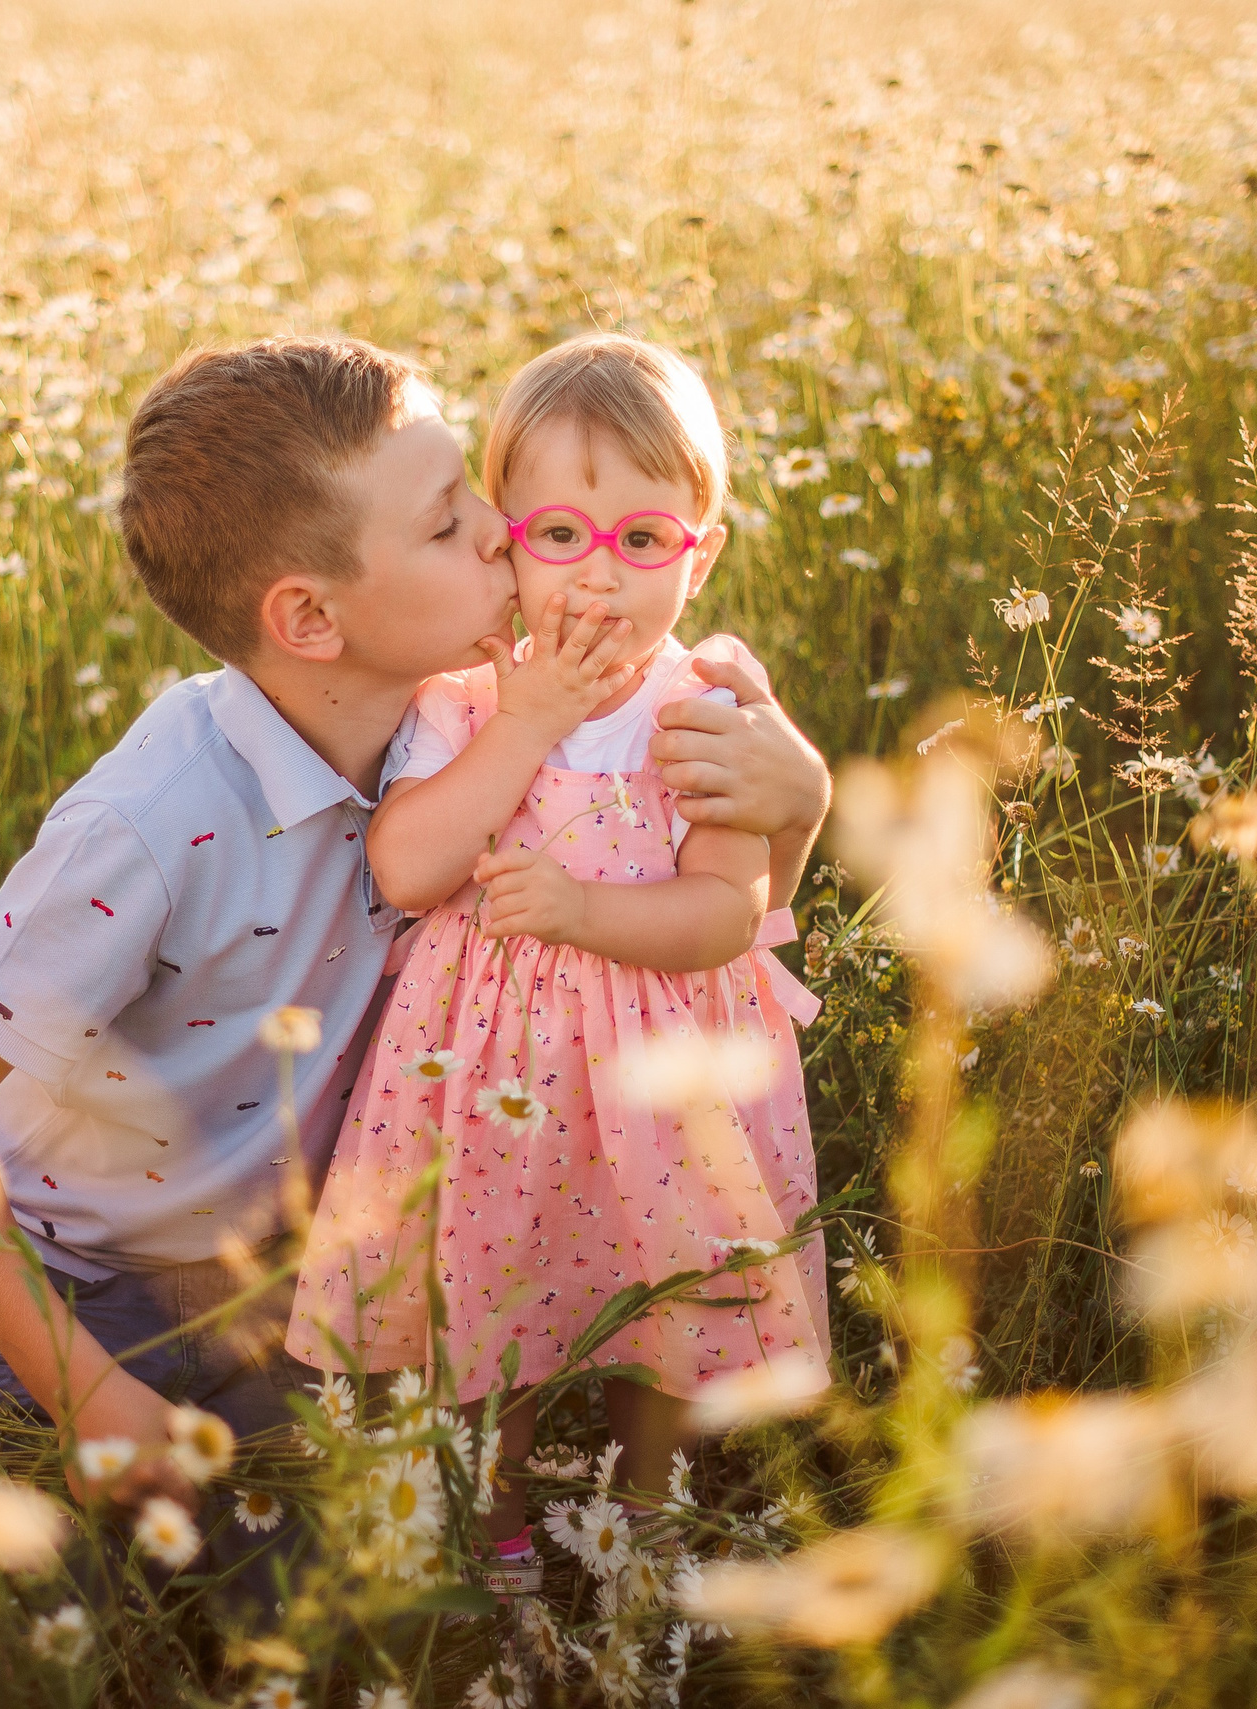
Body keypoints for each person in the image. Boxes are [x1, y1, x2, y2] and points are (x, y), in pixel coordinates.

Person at [0, 335, 832, 1523]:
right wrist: (86, 1392)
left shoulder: (463, 717)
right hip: (81, 1301)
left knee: (375, 1599)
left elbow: (713, 911)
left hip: (307, 1280)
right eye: (447, 521)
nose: (501, 532)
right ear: (312, 618)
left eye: (479, 494)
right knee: (30, 1619)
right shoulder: (154, 822)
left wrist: (803, 799)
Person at [284, 334, 832, 1596]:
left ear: (704, 553)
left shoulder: (702, 705)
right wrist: (524, 722)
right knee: (493, 1291)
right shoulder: (463, 699)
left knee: (673, 1300)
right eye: (560, 536)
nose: (598, 576)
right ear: (504, 545)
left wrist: (581, 908)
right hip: (489, 1075)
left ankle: (646, 1506)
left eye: (644, 540)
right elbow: (409, 864)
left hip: (667, 1070)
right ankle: (499, 1514)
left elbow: (723, 911)